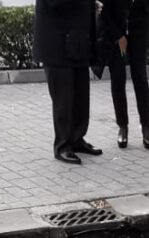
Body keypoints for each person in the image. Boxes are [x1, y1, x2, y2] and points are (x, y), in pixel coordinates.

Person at [36, 0, 103, 163]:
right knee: (63, 99)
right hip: (56, 43)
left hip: (78, 41)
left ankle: (77, 139)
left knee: (80, 96)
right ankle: (62, 146)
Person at [100, 0, 149, 149]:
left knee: (140, 76)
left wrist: (146, 15)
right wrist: (118, 36)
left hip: (140, 24)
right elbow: (104, 11)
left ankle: (146, 127)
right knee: (118, 78)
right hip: (116, 26)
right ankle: (122, 126)